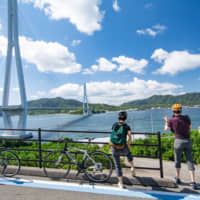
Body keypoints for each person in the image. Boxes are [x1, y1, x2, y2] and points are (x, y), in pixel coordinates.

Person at [164, 104, 197, 189]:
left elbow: (166, 129)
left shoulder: (171, 120)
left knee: (177, 160)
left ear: (173, 111)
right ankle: (193, 181)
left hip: (178, 141)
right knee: (190, 160)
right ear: (181, 110)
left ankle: (178, 177)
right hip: (187, 141)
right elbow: (190, 127)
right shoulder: (187, 117)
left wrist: (166, 121)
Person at [109, 111, 136, 189]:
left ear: (118, 117)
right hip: (123, 147)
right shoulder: (126, 126)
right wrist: (129, 144)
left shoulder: (114, 124)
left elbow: (114, 134)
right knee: (128, 154)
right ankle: (132, 167)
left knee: (117, 165)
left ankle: (120, 183)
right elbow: (130, 136)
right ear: (125, 118)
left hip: (114, 147)